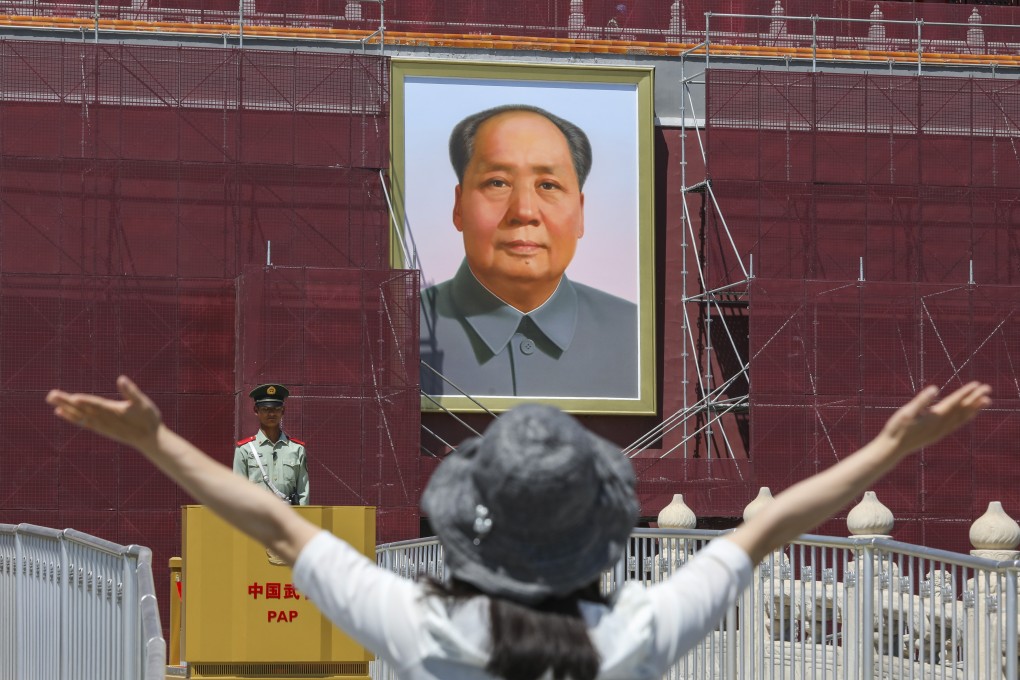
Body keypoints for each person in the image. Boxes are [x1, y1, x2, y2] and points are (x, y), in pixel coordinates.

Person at [46, 378, 989, 680]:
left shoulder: (428, 632)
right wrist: (888, 448)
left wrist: (157, 438)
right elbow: (773, 524)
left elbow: (277, 529)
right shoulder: (633, 637)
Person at [420, 104, 639, 399]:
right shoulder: (400, 329)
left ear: (581, 214)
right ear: (458, 207)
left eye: (548, 185)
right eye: (497, 183)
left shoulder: (635, 335)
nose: (524, 211)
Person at [232, 383, 309, 506]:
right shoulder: (244, 450)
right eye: (265, 409)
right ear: (256, 410)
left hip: (288, 517)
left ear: (283, 411)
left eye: (276, 409)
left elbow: (303, 492)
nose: (271, 414)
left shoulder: (296, 449)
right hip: (256, 516)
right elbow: (238, 492)